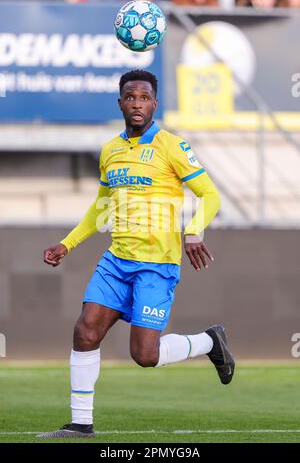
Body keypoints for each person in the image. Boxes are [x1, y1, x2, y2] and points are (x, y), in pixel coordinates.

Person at [39, 69, 235, 439]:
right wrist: (67, 243)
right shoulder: (110, 150)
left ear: (155, 103)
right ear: (120, 103)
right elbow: (101, 207)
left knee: (144, 355)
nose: (137, 104)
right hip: (116, 261)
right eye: (130, 97)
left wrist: (193, 232)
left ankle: (211, 340)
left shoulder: (172, 146)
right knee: (85, 331)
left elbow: (210, 195)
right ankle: (81, 424)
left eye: (144, 97)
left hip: (156, 265)